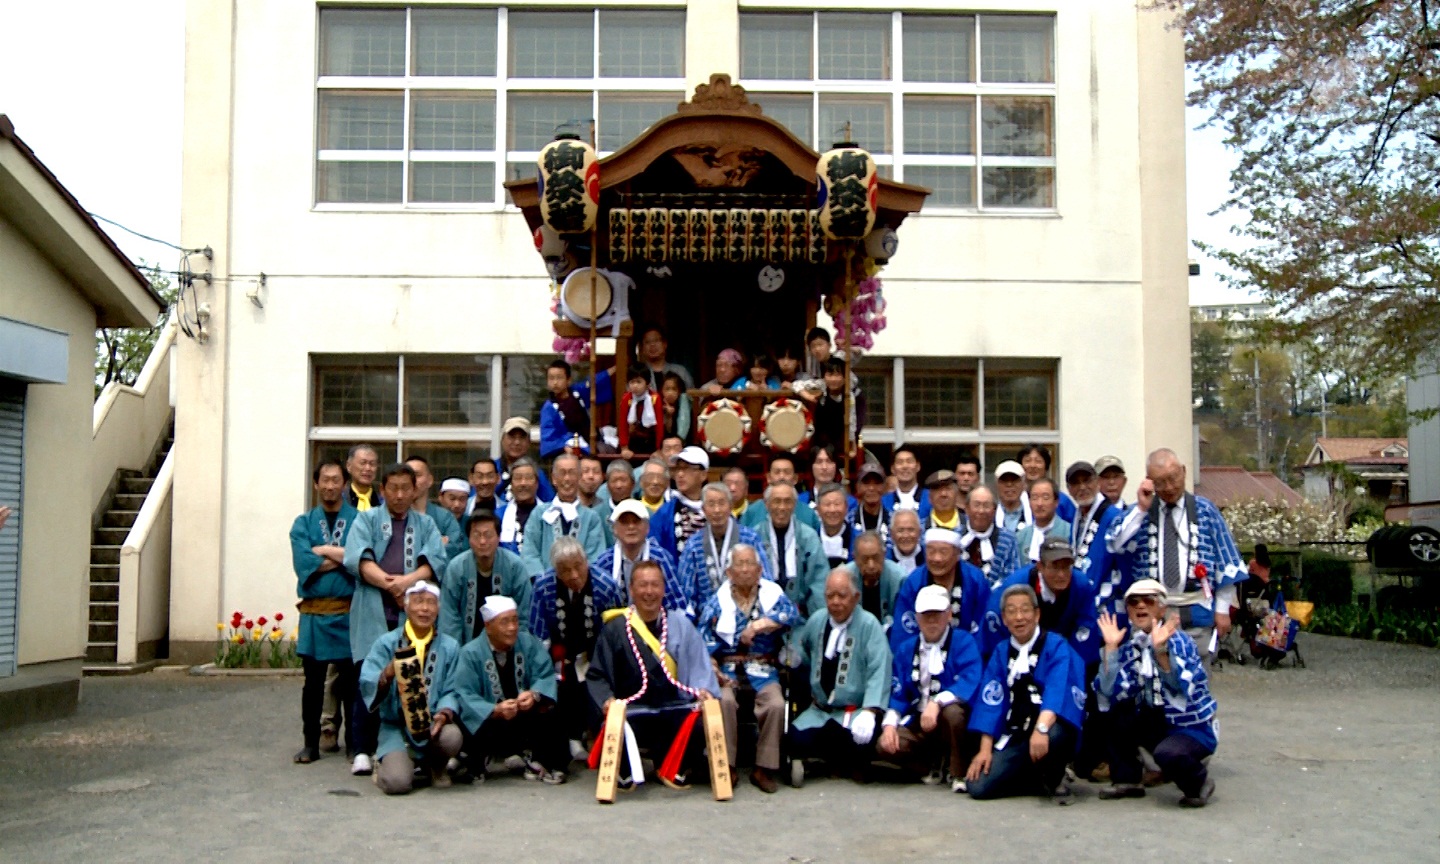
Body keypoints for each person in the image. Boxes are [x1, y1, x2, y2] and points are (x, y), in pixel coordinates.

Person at [342, 462, 446, 776]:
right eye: (393, 489)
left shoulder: (425, 523)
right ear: (382, 490)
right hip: (373, 609)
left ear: (415, 490)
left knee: (411, 677)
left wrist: (408, 582)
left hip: (409, 612)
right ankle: (361, 748)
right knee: (368, 676)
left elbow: (435, 561)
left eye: (406, 488)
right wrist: (390, 583)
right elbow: (356, 558)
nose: (399, 495)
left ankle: (405, 746)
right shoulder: (367, 519)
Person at [586, 561, 719, 790]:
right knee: (613, 725)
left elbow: (699, 668)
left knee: (700, 720)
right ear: (631, 589)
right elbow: (597, 674)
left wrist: (703, 693)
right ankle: (624, 772)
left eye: (655, 585)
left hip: (673, 706)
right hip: (633, 710)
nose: (649, 592)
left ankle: (673, 766)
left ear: (664, 589)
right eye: (643, 585)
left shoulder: (680, 624)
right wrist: (608, 701)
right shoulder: (616, 628)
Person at [1105, 448, 1247, 656]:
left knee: (1194, 678)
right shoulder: (1139, 512)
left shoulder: (1205, 510)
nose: (1169, 487)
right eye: (1160, 482)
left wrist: (1223, 609)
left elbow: (1226, 563)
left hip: (1196, 611)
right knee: (1151, 676)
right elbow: (1115, 544)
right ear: (1149, 481)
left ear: (1184, 472)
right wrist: (1141, 510)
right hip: (1150, 613)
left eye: (1173, 478)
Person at [1095, 579, 1219, 807]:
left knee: (1168, 754)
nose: (1141, 606)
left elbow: (1182, 689)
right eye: (1134, 602)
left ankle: (1198, 781)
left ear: (1162, 609)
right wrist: (1111, 650)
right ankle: (1127, 778)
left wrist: (1160, 651)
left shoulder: (1180, 641)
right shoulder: (1131, 646)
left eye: (1148, 601)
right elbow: (1107, 693)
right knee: (1117, 711)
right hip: (1156, 721)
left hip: (1190, 727)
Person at [965, 584, 1085, 804]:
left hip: (1047, 727)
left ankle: (1055, 776)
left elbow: (1057, 691)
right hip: (1016, 733)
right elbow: (991, 701)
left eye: (1025, 610)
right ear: (1004, 618)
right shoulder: (1001, 651)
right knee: (977, 787)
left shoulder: (1056, 645)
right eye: (1011, 611)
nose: (1019, 617)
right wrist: (984, 750)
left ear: (1037, 614)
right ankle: (1034, 779)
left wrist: (1041, 729)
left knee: (1057, 734)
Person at [698, 544, 800, 793]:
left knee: (775, 703)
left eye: (749, 564)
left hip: (763, 668)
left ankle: (763, 768)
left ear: (759, 569)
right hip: (727, 669)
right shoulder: (717, 603)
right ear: (729, 572)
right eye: (739, 564)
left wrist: (761, 625)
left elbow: (792, 615)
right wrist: (713, 668)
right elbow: (703, 641)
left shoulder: (773, 595)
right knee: (724, 701)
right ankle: (727, 766)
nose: (744, 569)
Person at [788, 569, 892, 786]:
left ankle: (850, 764)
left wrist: (870, 711)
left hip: (854, 711)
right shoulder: (817, 620)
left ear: (856, 597)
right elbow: (805, 650)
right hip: (821, 710)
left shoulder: (869, 624)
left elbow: (879, 668)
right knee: (796, 738)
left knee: (861, 739)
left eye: (842, 596)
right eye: (830, 596)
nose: (835, 602)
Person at [358, 581, 463, 795]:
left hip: (433, 724)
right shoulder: (386, 643)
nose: (424, 609)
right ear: (406, 607)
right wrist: (386, 675)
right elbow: (367, 679)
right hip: (396, 727)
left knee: (452, 736)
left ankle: (437, 766)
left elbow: (454, 689)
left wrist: (444, 712)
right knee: (397, 784)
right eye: (418, 602)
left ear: (438, 608)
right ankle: (387, 764)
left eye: (430, 603)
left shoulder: (450, 646)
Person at [878, 584, 983, 791]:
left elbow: (970, 679)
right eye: (926, 615)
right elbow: (899, 692)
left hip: (949, 719)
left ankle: (958, 773)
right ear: (917, 618)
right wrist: (889, 724)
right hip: (919, 720)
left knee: (954, 714)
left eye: (937, 614)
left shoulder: (964, 642)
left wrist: (938, 702)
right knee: (885, 743)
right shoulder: (906, 649)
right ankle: (929, 767)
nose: (932, 621)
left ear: (948, 614)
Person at [529, 536, 628, 756]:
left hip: (596, 653)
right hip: (558, 653)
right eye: (565, 570)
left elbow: (617, 634)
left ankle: (596, 734)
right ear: (555, 570)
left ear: (586, 562)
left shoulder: (605, 586)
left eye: (578, 567)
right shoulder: (543, 587)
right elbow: (537, 633)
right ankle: (566, 739)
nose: (574, 575)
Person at [454, 596, 568, 784]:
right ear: (488, 626)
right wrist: (493, 710)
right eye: (504, 622)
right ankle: (476, 762)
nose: (512, 627)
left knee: (556, 703)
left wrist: (534, 694)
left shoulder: (528, 643)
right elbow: (464, 694)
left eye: (515, 620)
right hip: (490, 723)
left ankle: (547, 762)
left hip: (524, 717)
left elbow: (545, 674)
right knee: (467, 717)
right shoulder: (470, 653)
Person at [290, 459, 359, 764]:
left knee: (351, 684)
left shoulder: (359, 520)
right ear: (316, 484)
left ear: (345, 485)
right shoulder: (302, 523)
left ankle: (355, 744)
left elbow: (360, 559)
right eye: (325, 480)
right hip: (315, 614)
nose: (330, 486)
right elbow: (304, 564)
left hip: (348, 612)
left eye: (336, 480)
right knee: (313, 684)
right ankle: (310, 743)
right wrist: (341, 556)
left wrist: (324, 551)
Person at [983, 540, 1100, 665]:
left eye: (1066, 567)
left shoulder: (1081, 585)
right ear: (1040, 566)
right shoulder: (1013, 587)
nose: (1061, 574)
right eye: (1054, 567)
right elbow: (991, 633)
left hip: (1062, 656)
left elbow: (1085, 633)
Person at [678, 482, 774, 617]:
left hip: (747, 615)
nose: (717, 510)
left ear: (730, 507)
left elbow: (766, 582)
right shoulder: (693, 545)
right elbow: (686, 591)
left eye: (721, 503)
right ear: (704, 509)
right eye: (711, 504)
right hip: (707, 619)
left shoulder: (750, 539)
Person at [439, 510, 533, 646]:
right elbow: (449, 618)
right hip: (466, 648)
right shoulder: (456, 568)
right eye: (477, 536)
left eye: (488, 535)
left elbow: (524, 615)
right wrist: (457, 653)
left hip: (508, 646)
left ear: (499, 537)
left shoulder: (515, 566)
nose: (482, 541)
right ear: (469, 539)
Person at [891, 529, 991, 652]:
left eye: (943, 552)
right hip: (922, 653)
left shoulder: (975, 580)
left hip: (965, 653)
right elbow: (904, 632)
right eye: (931, 551)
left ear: (957, 555)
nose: (937, 558)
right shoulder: (914, 582)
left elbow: (983, 628)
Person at [520, 454, 606, 578]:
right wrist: (544, 580)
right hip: (544, 587)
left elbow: (595, 557)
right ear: (554, 479)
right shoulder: (539, 513)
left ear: (579, 477)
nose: (567, 478)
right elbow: (530, 553)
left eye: (572, 473)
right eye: (562, 473)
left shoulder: (591, 517)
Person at [756, 481, 830, 616]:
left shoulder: (808, 537)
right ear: (766, 505)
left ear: (795, 505)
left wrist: (817, 619)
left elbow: (819, 581)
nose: (782, 507)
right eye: (776, 501)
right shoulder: (756, 536)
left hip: (800, 615)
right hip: (762, 614)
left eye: (788, 502)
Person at [593, 499, 684, 608]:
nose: (631, 527)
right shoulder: (605, 562)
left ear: (647, 528)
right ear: (615, 529)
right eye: (624, 522)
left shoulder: (660, 557)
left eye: (636, 521)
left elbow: (677, 604)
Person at [649, 446, 711, 559]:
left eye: (686, 468)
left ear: (703, 475)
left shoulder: (717, 509)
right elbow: (653, 549)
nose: (680, 474)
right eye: (678, 468)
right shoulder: (665, 513)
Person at [406, 455, 463, 568]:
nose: (412, 480)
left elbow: (453, 554)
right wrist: (435, 545)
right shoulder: (393, 516)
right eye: (408, 476)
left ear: (430, 480)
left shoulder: (445, 518)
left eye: (417, 475)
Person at [739, 455, 822, 533]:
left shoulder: (808, 513)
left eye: (787, 472)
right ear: (768, 478)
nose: (782, 476)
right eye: (777, 472)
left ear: (795, 479)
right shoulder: (752, 511)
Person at [957, 487, 1020, 586]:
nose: (981, 511)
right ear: (967, 508)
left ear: (994, 510)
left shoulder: (1008, 539)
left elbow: (1011, 578)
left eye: (986, 506)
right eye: (976, 505)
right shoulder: (955, 537)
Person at [845, 531, 906, 631]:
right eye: (865, 559)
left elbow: (902, 618)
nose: (871, 565)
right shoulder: (844, 578)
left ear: (884, 554)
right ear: (854, 558)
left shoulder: (900, 579)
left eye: (876, 557)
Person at [495, 417, 556, 503]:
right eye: (512, 437)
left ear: (529, 442)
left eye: (522, 438)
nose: (517, 442)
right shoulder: (492, 469)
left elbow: (549, 504)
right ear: (502, 440)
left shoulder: (537, 473)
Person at [539, 359, 591, 459]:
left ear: (568, 380)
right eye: (551, 378)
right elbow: (548, 437)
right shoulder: (549, 407)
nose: (555, 382)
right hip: (565, 452)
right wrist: (564, 446)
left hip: (588, 444)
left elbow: (595, 382)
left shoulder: (577, 394)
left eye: (559, 378)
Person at [1014, 478, 1071, 565]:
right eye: (1035, 498)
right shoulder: (1020, 537)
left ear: (1056, 502)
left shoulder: (1069, 532)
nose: (1039, 503)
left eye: (1045, 498)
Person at [1017, 443, 1076, 523]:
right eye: (1028, 461)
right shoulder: (1016, 499)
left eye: (1038, 461)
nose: (1033, 465)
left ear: (1046, 466)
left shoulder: (1062, 500)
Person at [496, 458, 543, 558]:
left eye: (528, 478)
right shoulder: (498, 515)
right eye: (518, 478)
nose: (523, 483)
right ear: (511, 485)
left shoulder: (549, 514)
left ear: (537, 483)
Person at [636, 325, 695, 392]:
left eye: (656, 340)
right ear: (642, 348)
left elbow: (692, 397)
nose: (652, 345)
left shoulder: (680, 372)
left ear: (665, 344)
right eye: (647, 342)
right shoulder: (637, 373)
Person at [618, 369, 661, 460]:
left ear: (647, 384)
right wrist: (624, 447)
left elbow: (659, 425)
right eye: (632, 382)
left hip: (651, 439)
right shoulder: (626, 399)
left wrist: (658, 448)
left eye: (639, 382)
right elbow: (623, 424)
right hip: (633, 440)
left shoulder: (655, 398)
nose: (635, 386)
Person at [813, 482, 854, 570]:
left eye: (837, 504)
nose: (832, 510)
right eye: (827, 504)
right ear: (818, 509)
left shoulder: (857, 539)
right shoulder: (810, 539)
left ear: (846, 507)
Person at [882, 446, 929, 518]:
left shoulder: (931, 498)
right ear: (892, 469)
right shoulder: (883, 502)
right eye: (900, 462)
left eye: (909, 461)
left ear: (918, 466)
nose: (905, 466)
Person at [852, 461, 892, 545]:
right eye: (866, 483)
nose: (871, 488)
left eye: (877, 483)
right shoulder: (849, 521)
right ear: (857, 487)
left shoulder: (893, 521)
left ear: (885, 487)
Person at [577, 454, 612, 544]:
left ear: (603, 477)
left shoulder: (607, 510)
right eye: (585, 471)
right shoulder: (568, 507)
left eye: (596, 472)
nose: (591, 476)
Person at [922, 470, 967, 535]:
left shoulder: (971, 527)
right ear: (930, 498)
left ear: (956, 495)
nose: (943, 494)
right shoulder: (918, 530)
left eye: (948, 488)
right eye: (938, 489)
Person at [994, 460, 1029, 531]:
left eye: (1014, 480)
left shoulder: (1034, 514)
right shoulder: (988, 515)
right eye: (1004, 480)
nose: (1009, 484)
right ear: (996, 485)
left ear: (1024, 484)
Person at [345, 444, 381, 510]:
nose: (368, 468)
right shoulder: (340, 501)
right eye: (363, 463)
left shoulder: (383, 502)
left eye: (372, 464)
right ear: (349, 466)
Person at [888, 509, 925, 573]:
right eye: (900, 530)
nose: (906, 535)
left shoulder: (929, 559)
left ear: (919, 532)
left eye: (911, 530)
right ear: (891, 534)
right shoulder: (884, 561)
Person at [659, 373, 693, 443]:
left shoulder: (684, 406)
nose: (670, 393)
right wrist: (668, 416)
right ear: (662, 390)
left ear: (679, 391)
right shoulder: (658, 405)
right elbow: (666, 433)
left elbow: (682, 434)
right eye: (667, 389)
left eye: (674, 389)